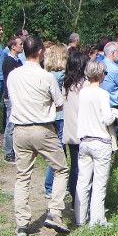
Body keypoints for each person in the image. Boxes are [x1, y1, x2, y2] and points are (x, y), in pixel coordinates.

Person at [8, 36, 71, 236]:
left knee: (22, 176)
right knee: (61, 169)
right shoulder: (47, 77)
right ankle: (54, 211)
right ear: (41, 52)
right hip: (43, 128)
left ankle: (22, 223)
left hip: (19, 130)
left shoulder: (13, 75)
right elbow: (60, 103)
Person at [75, 60, 118, 228]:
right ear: (100, 75)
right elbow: (107, 118)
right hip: (101, 141)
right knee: (99, 183)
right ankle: (97, 220)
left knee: (83, 181)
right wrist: (115, 116)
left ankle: (80, 217)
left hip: (84, 141)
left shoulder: (83, 93)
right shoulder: (102, 94)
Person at [61, 50, 90, 204]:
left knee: (74, 167)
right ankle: (82, 199)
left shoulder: (66, 84)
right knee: (83, 169)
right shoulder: (84, 85)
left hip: (70, 131)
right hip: (83, 131)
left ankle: (74, 199)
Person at [43, 44, 69, 197]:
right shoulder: (62, 75)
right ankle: (51, 186)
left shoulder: (47, 73)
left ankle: (51, 186)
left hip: (50, 115)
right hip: (61, 116)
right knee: (59, 151)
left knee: (55, 150)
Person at [2, 36, 23, 163]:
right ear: (13, 46)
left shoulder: (18, 61)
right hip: (10, 97)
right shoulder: (9, 61)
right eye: (20, 44)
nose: (22, 46)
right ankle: (8, 152)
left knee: (15, 124)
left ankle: (14, 150)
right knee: (10, 124)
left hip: (16, 96)